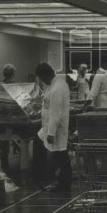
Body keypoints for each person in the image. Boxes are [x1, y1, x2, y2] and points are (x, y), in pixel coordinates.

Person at [36, 63, 72, 194]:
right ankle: (61, 181)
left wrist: (51, 133)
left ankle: (64, 183)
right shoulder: (54, 85)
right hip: (50, 126)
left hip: (56, 128)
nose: (40, 81)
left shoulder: (57, 88)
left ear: (45, 75)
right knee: (59, 156)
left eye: (40, 78)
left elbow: (55, 113)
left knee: (61, 156)